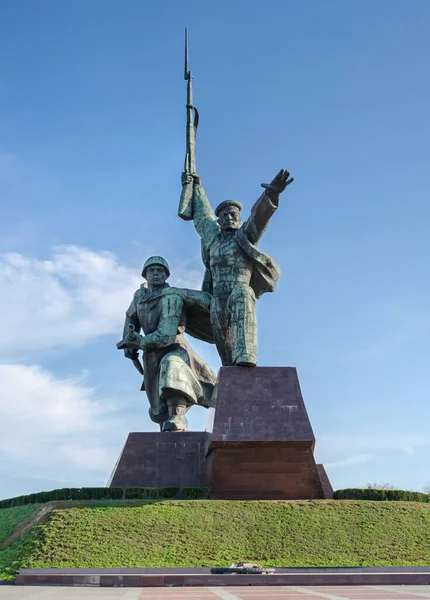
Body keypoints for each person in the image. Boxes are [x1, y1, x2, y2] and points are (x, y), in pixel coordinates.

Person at [181, 169, 293, 367]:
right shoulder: (213, 241)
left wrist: (271, 194)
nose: (229, 218)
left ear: (239, 219)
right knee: (226, 357)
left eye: (233, 215)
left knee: (243, 293)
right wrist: (195, 187)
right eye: (224, 216)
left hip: (237, 291)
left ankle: (246, 356)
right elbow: (203, 217)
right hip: (216, 299)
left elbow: (259, 217)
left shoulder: (245, 237)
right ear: (220, 220)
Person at [118, 256, 216, 432]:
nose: (155, 273)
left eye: (160, 270)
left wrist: (139, 342)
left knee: (173, 368)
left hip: (174, 349)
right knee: (158, 410)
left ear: (166, 275)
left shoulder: (171, 298)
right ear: (145, 275)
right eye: (151, 270)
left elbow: (166, 336)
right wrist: (128, 341)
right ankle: (168, 421)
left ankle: (178, 417)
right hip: (151, 354)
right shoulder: (140, 296)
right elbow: (130, 316)